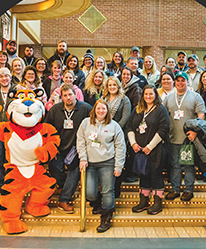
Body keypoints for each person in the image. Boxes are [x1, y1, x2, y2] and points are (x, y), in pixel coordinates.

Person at [78, 97, 127, 231]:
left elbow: (120, 147)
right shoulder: (86, 123)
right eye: (98, 108)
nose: (100, 111)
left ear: (107, 111)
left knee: (107, 191)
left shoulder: (114, 125)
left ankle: (106, 217)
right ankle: (97, 203)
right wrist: (82, 158)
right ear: (94, 110)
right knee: (90, 192)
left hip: (107, 162)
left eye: (103, 109)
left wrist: (118, 166)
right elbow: (80, 141)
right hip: (90, 163)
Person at [43, 84, 90, 213]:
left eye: (70, 94)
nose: (68, 98)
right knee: (54, 168)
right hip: (58, 147)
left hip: (76, 149)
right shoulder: (55, 109)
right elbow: (47, 127)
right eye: (65, 96)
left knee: (73, 172)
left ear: (75, 95)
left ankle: (64, 199)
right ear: (61, 97)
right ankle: (64, 187)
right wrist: (51, 144)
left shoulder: (86, 109)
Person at [164, 72, 205, 203]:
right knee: (175, 165)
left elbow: (201, 115)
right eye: (178, 80)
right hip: (173, 137)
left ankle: (188, 190)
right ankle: (175, 189)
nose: (180, 83)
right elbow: (163, 115)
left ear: (187, 82)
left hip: (188, 138)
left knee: (188, 165)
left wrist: (195, 132)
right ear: (175, 82)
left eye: (183, 80)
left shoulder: (196, 97)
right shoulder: (169, 97)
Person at [128, 85, 168, 214]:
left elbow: (163, 129)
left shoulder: (161, 109)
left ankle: (157, 203)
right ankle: (143, 202)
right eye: (146, 94)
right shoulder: (138, 109)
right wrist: (133, 143)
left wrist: (150, 147)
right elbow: (129, 127)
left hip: (155, 149)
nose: (148, 96)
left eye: (151, 94)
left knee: (156, 175)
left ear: (155, 95)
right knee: (143, 174)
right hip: (139, 150)